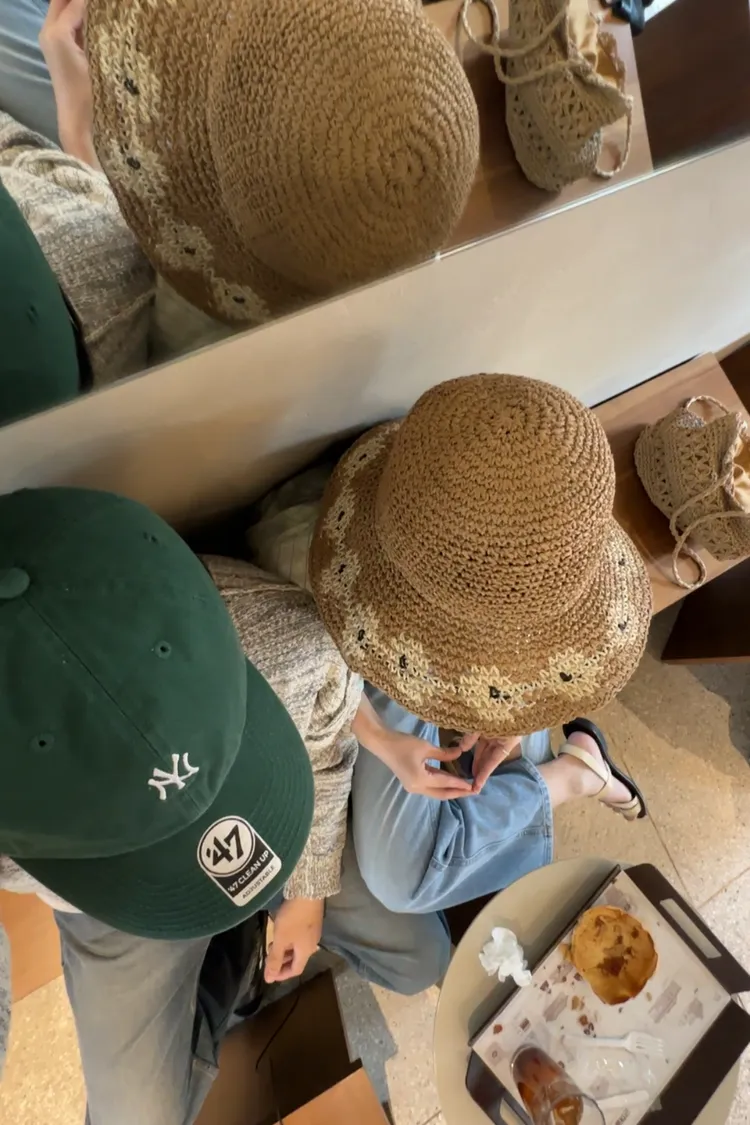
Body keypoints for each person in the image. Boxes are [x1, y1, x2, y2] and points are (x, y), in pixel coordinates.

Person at [0, 486, 449, 1124]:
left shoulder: (282, 637)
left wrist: (308, 892)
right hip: (117, 908)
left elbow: (325, 738)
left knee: (419, 958)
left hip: (262, 807)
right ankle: (233, 955)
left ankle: (236, 944)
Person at [248, 373, 654, 914]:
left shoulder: (514, 504)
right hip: (345, 642)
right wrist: (381, 741)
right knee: (403, 882)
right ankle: (572, 776)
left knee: (500, 753)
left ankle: (570, 772)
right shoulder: (308, 574)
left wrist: (505, 719)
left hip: (398, 599)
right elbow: (302, 668)